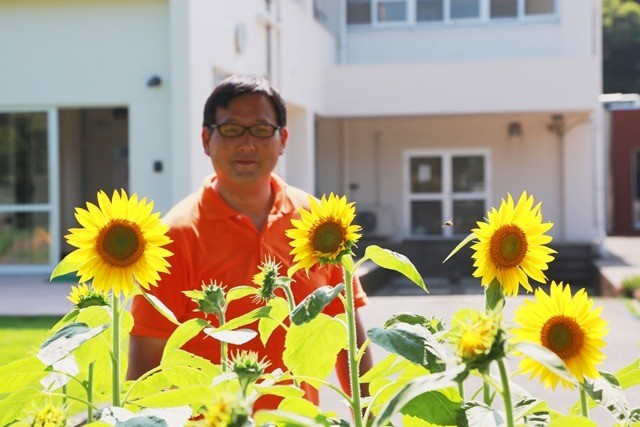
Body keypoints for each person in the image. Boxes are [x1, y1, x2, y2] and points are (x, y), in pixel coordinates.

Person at [127, 74, 373, 410]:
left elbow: (347, 333)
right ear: (205, 138)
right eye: (231, 130)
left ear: (283, 138)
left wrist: (370, 412)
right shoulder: (175, 236)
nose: (246, 144)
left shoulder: (319, 223)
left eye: (260, 129)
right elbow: (146, 365)